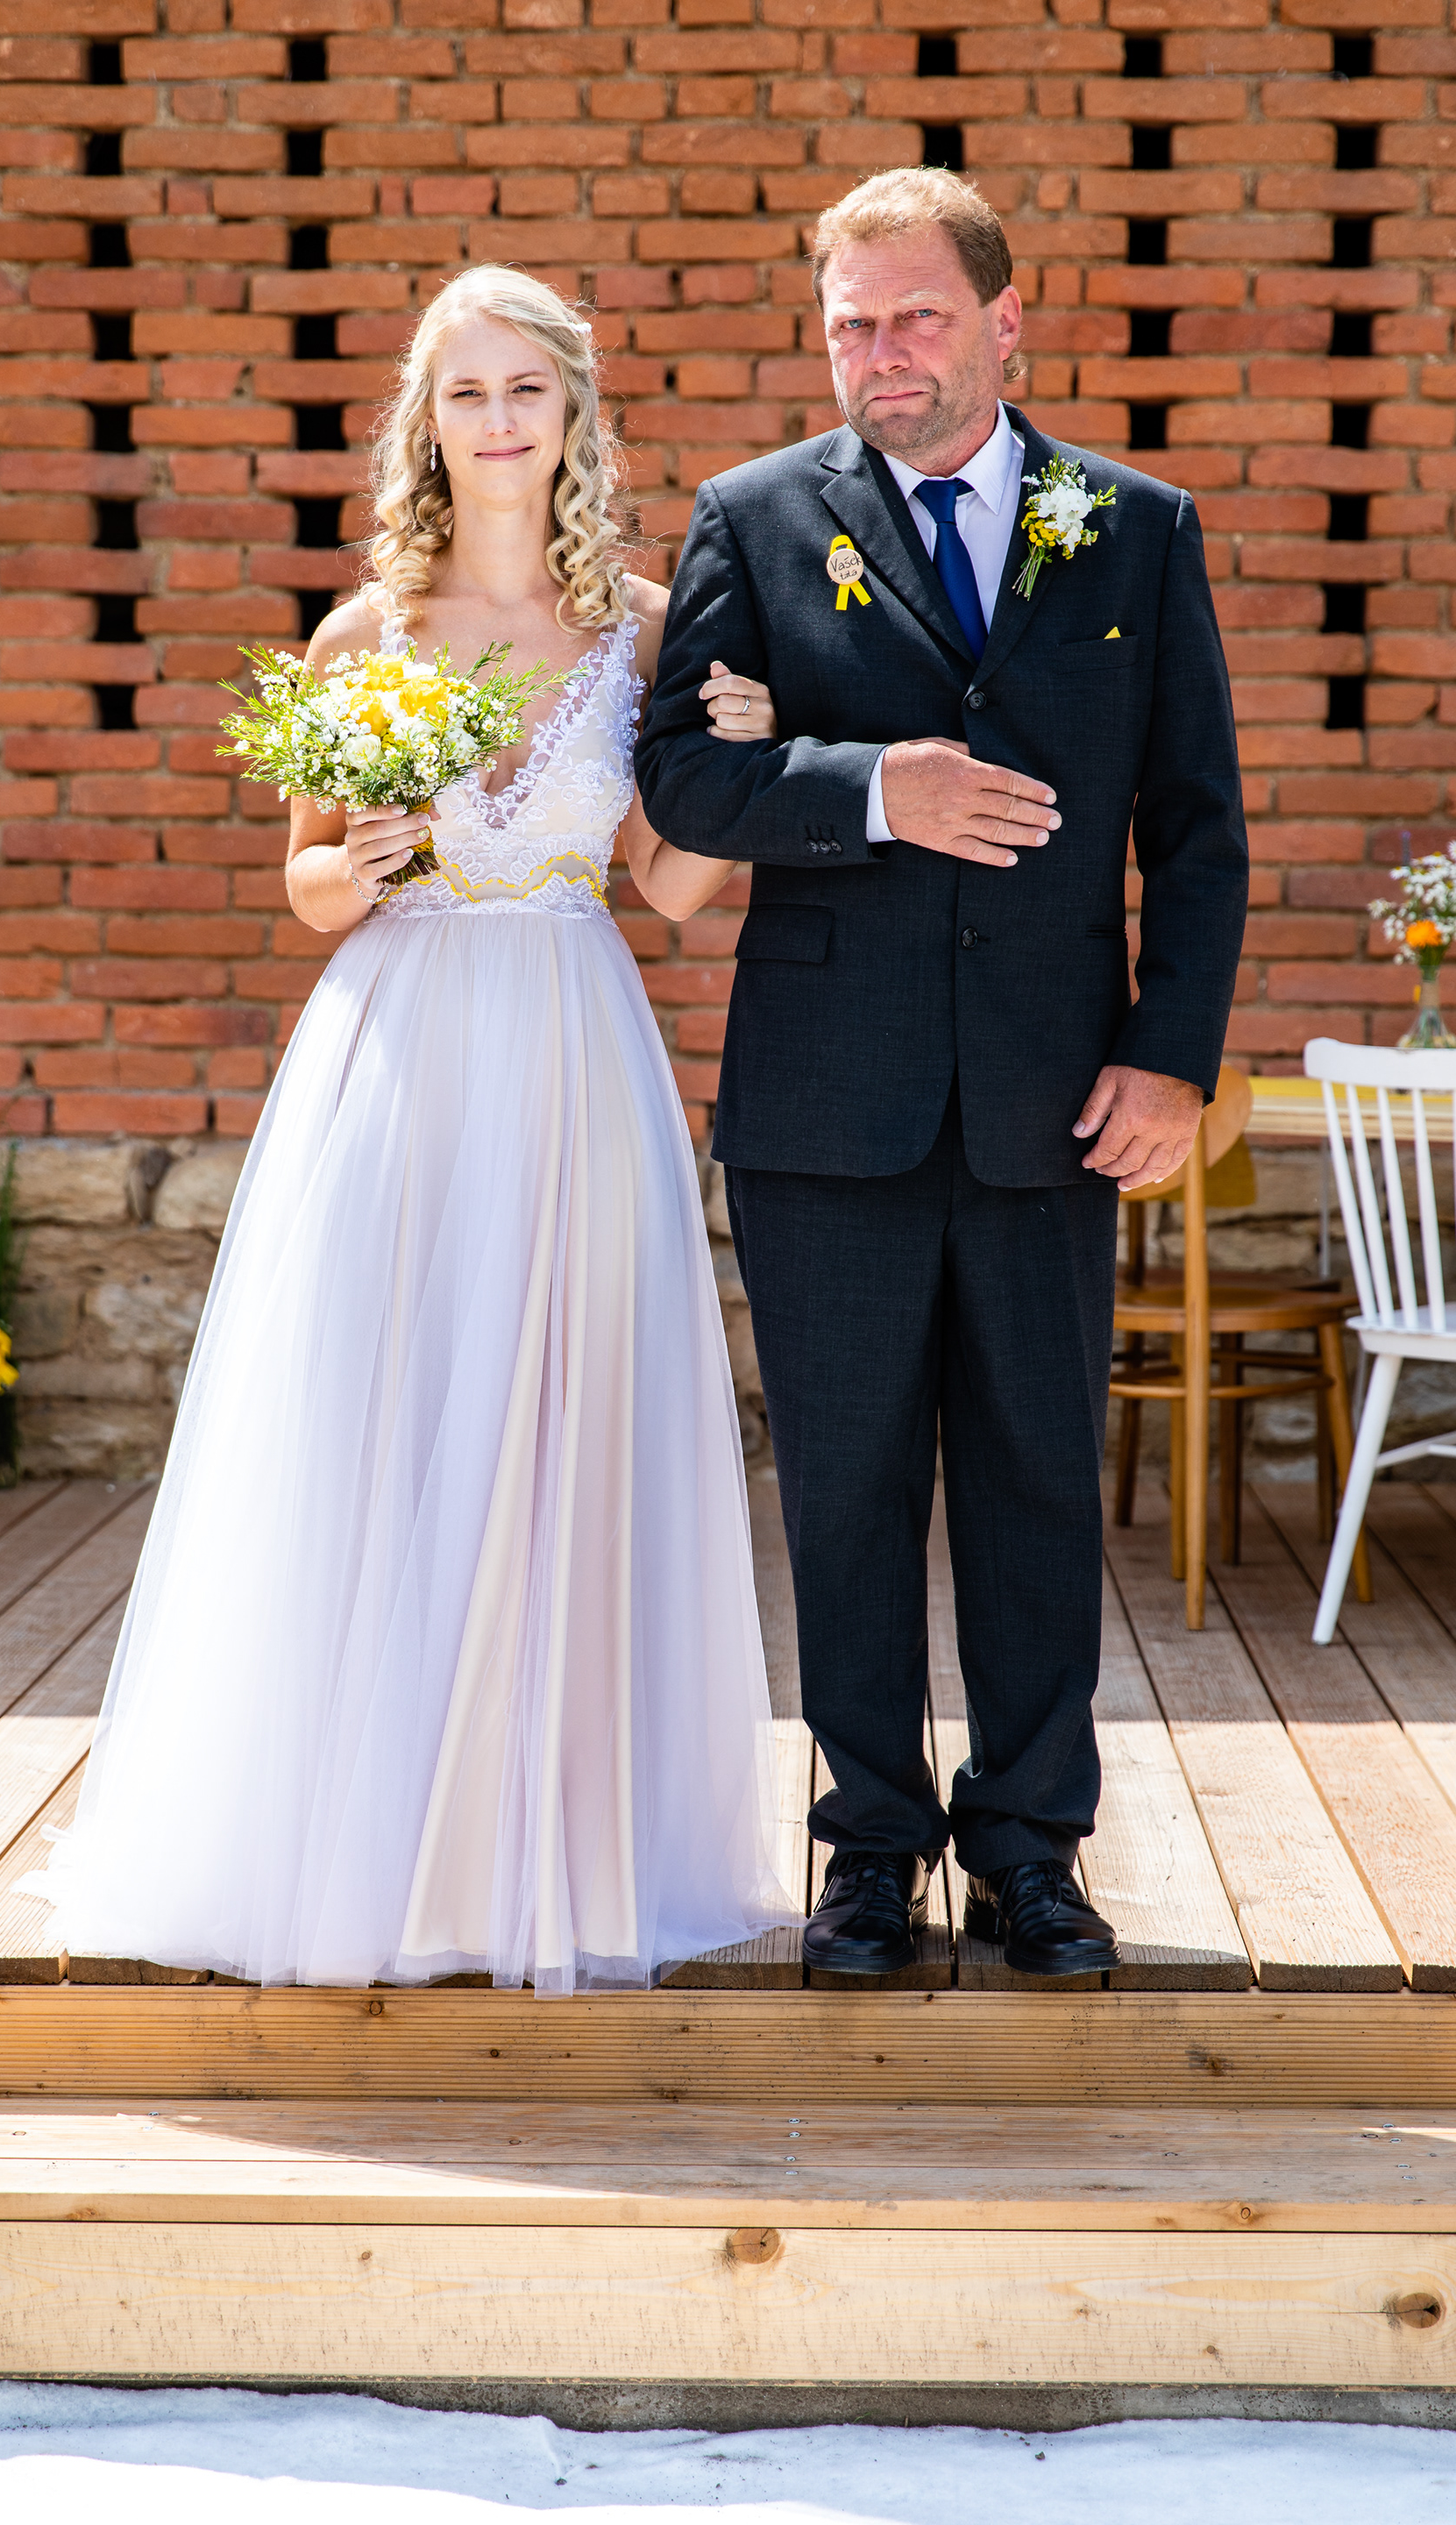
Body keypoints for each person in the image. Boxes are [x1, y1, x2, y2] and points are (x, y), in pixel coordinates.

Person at [36, 266, 796, 1992]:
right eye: (468, 393)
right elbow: (306, 885)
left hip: (574, 1049)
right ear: (426, 424)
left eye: (528, 389)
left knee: (559, 1426)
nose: (500, 421)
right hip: (397, 1054)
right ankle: (370, 1846)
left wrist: (745, 763)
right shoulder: (362, 635)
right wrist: (359, 863)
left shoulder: (649, 628)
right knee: (387, 1418)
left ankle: (540, 1852)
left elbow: (676, 889)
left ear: (573, 414)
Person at [636, 167, 1250, 1979]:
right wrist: (869, 789)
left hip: (1058, 1100)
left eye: (916, 317)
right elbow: (680, 783)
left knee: (1041, 1482)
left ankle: (1032, 1851)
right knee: (842, 1492)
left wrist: (1170, 1057)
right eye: (852, 324)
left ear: (1003, 322)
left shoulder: (1133, 528)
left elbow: (1196, 827)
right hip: (827, 1102)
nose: (882, 352)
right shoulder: (755, 519)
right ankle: (871, 1852)